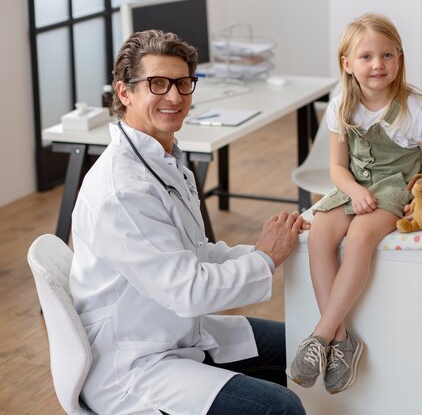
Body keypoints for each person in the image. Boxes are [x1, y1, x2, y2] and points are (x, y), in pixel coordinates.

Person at [70, 30, 308, 415]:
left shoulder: (164, 159)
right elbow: (189, 291)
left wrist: (271, 249)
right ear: (124, 92)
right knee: (279, 408)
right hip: (137, 364)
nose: (175, 96)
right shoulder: (122, 191)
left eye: (183, 83)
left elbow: (196, 252)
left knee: (307, 346)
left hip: (177, 333)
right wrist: (265, 258)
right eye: (158, 83)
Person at [286, 13, 422, 394]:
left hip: (394, 188)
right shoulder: (343, 104)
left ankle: (319, 336)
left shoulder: (415, 109)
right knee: (320, 234)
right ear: (347, 63)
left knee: (359, 238)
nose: (378, 65)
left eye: (387, 55)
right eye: (366, 57)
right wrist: (355, 192)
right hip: (353, 185)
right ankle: (342, 341)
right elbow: (337, 168)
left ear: (399, 58)